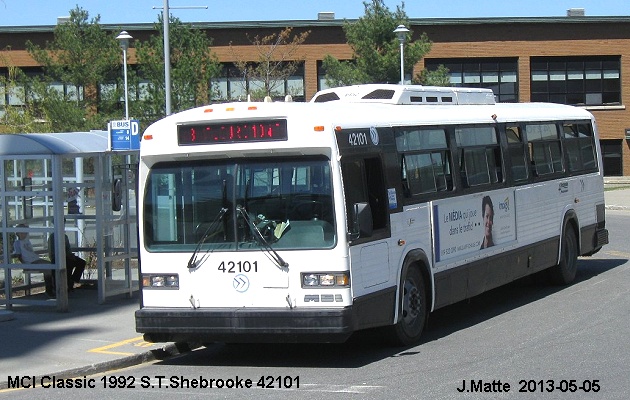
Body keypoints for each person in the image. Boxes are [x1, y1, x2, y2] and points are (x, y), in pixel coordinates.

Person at [12, 224, 55, 297]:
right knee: (48, 269)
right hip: (30, 262)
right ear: (17, 233)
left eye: (25, 232)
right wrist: (25, 265)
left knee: (52, 266)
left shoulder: (27, 241)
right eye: (21, 233)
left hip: (35, 259)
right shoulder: (17, 243)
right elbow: (18, 255)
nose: (24, 234)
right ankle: (49, 290)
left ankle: (54, 287)